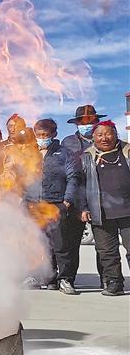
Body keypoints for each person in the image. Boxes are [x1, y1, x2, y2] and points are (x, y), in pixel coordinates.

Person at [22, 119, 81, 294]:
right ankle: (36, 276)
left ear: (54, 134)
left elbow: (73, 177)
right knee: (35, 244)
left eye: (45, 135)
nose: (42, 138)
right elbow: (22, 179)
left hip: (55, 205)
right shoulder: (29, 154)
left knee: (60, 245)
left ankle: (65, 279)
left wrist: (67, 201)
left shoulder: (64, 153)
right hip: (33, 206)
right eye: (39, 135)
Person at [80, 121, 127, 296]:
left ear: (115, 134)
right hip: (101, 211)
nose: (104, 138)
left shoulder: (127, 151)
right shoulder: (87, 156)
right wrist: (84, 207)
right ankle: (114, 283)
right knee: (107, 252)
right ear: (94, 137)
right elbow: (81, 185)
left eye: (108, 134)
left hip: (127, 209)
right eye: (99, 135)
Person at [62, 105, 106, 286]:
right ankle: (68, 278)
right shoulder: (68, 143)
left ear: (97, 122)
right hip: (76, 200)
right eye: (82, 122)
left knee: (104, 245)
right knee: (71, 244)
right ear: (77, 124)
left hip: (102, 199)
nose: (86, 124)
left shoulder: (105, 141)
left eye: (90, 121)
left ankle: (107, 279)